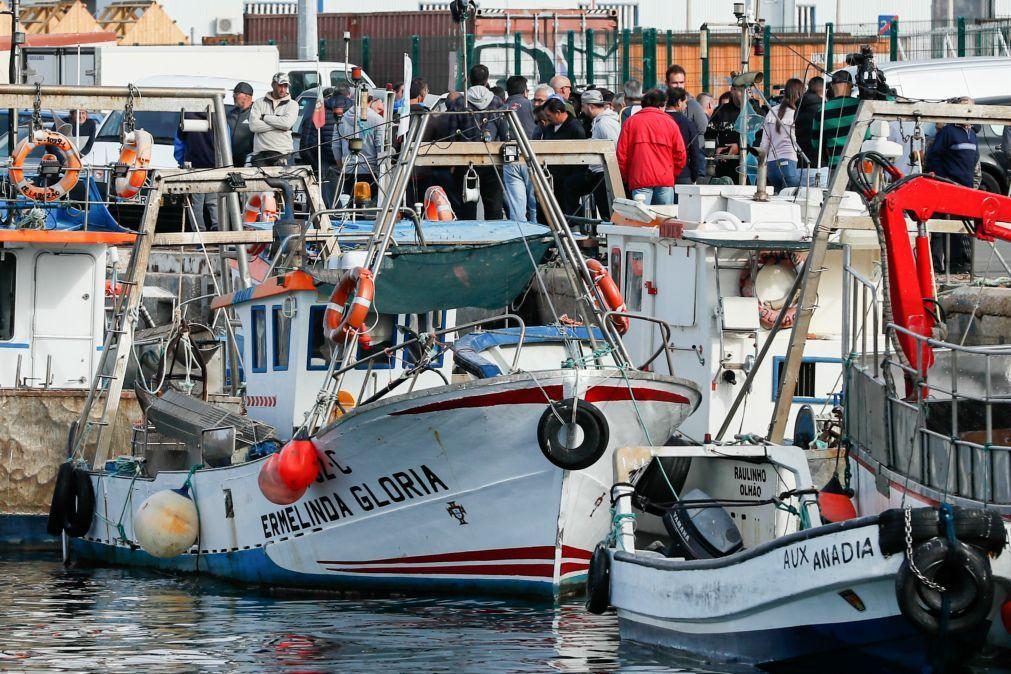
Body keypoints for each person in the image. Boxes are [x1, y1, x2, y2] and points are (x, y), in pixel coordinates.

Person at [925, 98, 978, 274]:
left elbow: (974, 161)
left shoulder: (973, 135)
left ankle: (958, 264)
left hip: (966, 187)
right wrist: (943, 178)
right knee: (940, 225)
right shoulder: (948, 132)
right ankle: (935, 266)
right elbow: (934, 156)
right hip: (948, 185)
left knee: (960, 227)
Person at [454, 73, 509, 219]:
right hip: (493, 162)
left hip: (464, 161)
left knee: (467, 205)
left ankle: (468, 237)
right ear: (486, 80)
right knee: (494, 206)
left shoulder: (461, 102)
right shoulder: (497, 102)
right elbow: (504, 132)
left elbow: (451, 132)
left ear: (470, 80)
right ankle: (495, 237)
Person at [616, 89, 685, 205]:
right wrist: (672, 173)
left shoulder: (630, 122)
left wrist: (627, 177)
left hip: (639, 179)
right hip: (665, 180)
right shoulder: (670, 123)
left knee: (641, 219)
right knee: (665, 219)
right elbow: (680, 155)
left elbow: (621, 155)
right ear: (662, 105)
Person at [561, 89, 619, 219]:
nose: (582, 109)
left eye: (583, 106)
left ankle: (577, 223)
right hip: (597, 172)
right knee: (571, 185)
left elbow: (615, 146)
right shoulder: (601, 121)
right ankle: (576, 221)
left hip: (603, 173)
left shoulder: (604, 123)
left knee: (606, 212)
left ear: (590, 106)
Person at [332, 96, 385, 202]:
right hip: (370, 171)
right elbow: (380, 147)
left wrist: (342, 166)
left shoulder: (341, 119)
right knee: (366, 207)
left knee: (349, 205)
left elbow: (335, 146)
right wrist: (381, 169)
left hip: (348, 170)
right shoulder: (377, 119)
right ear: (371, 100)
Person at [539, 97, 586, 210]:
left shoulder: (575, 128)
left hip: (567, 177)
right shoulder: (550, 128)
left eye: (549, 116)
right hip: (552, 177)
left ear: (558, 113)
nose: (547, 119)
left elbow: (581, 156)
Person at [174, 112, 217, 230]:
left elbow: (179, 142)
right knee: (214, 202)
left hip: (194, 166)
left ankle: (199, 234)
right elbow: (226, 141)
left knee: (195, 204)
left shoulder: (186, 116)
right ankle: (218, 232)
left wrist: (182, 162)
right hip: (215, 167)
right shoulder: (218, 115)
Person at [810, 70, 860, 173]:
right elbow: (867, 136)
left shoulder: (822, 110)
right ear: (851, 85)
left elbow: (816, 144)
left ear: (832, 86)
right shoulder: (860, 106)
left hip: (834, 165)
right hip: (858, 164)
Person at [759, 78, 804, 190]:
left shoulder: (771, 111)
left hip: (771, 166)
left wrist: (761, 165)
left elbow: (764, 143)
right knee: (793, 202)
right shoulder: (797, 113)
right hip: (790, 162)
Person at [503, 75, 537, 222]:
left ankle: (520, 233)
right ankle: (538, 232)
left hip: (510, 152)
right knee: (534, 198)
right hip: (530, 151)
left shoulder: (502, 106)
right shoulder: (529, 104)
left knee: (516, 203)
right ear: (525, 90)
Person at [249, 72, 299, 166]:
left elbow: (287, 124)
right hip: (260, 155)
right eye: (280, 86)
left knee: (285, 181)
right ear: (273, 85)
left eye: (285, 86)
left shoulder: (293, 104)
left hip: (283, 153)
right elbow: (253, 126)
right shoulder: (259, 102)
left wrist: (265, 117)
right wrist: (279, 124)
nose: (283, 89)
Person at [665, 87, 705, 189]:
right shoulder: (688, 124)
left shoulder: (659, 121)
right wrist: (694, 176)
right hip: (683, 174)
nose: (686, 106)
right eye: (685, 102)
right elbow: (695, 152)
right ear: (679, 102)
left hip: (662, 173)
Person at [665, 65, 707, 150]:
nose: (679, 86)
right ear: (667, 83)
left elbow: (703, 129)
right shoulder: (662, 104)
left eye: (681, 82)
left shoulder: (693, 105)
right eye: (674, 83)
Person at [706, 88, 742, 181]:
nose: (745, 93)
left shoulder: (756, 111)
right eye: (740, 90)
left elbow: (760, 140)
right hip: (724, 165)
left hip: (750, 168)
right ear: (733, 90)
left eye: (748, 90)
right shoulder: (721, 111)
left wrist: (739, 147)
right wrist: (716, 149)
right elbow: (709, 135)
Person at [794, 75, 825, 184]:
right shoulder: (822, 109)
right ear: (823, 90)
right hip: (819, 166)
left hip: (801, 166)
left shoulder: (798, 109)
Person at [227, 82, 255, 165]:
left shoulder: (255, 113)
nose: (233, 96)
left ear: (247, 96)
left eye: (237, 94)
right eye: (233, 93)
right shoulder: (230, 114)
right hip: (229, 160)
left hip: (248, 162)